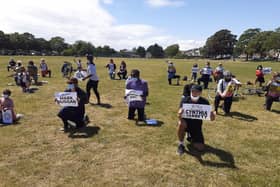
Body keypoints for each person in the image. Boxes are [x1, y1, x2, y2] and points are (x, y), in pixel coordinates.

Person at [177, 85, 215, 155]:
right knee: (180, 124)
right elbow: (178, 115)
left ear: (200, 93)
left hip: (196, 126)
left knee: (200, 148)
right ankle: (181, 144)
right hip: (186, 123)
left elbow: (212, 119)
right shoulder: (185, 100)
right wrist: (180, 116)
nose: (194, 93)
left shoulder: (204, 102)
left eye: (197, 92)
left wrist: (212, 115)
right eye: (192, 91)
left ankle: (190, 136)